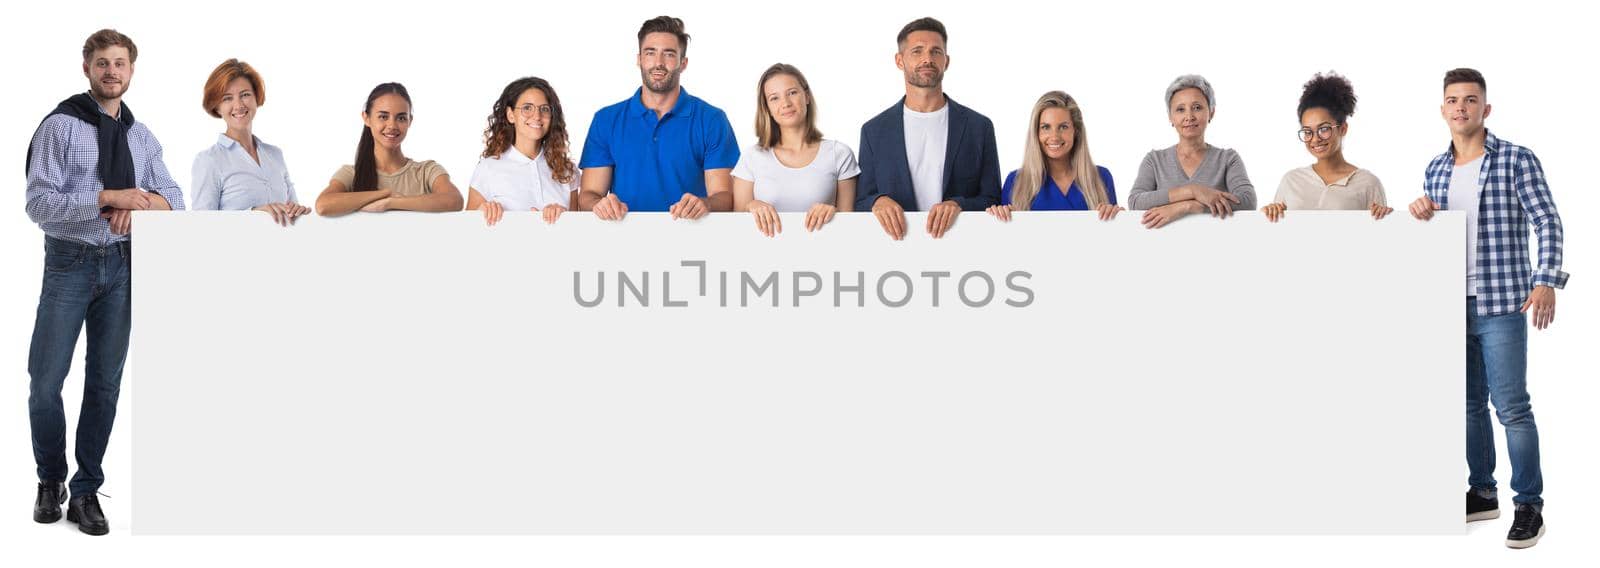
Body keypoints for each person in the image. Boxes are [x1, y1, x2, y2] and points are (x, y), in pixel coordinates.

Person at [23, 29, 186, 536]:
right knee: (46, 382)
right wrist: (106, 197)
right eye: (102, 62)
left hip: (123, 268)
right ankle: (51, 480)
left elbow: (175, 200)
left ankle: (87, 489)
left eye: (120, 63)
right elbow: (38, 204)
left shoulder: (141, 137)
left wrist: (141, 205)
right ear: (86, 68)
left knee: (105, 384)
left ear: (131, 71)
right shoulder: (60, 127)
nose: (111, 71)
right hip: (69, 264)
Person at [1408, 68, 1567, 550]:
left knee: (1512, 408)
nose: (1461, 108)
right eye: (1452, 100)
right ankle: (1482, 492)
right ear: (1442, 109)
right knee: (1467, 405)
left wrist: (1546, 281)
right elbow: (1434, 233)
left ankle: (1529, 505)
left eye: (1470, 100)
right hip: (1449, 303)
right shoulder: (1436, 168)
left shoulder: (1516, 159)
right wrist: (1421, 212)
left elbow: (1548, 222)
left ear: (1485, 109)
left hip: (1501, 303)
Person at [577, 16, 739, 221]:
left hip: (690, 238)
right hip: (622, 240)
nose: (658, 63)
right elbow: (588, 195)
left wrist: (705, 203)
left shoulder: (712, 120)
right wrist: (599, 204)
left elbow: (725, 197)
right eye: (650, 53)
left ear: (683, 63)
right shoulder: (606, 120)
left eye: (669, 54)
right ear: (639, 59)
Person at [856, 17, 1000, 240]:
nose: (927, 59)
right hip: (896, 249)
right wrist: (877, 201)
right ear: (899, 60)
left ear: (947, 61)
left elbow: (993, 199)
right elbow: (859, 201)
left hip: (963, 247)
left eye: (936, 52)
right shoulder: (874, 131)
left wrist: (958, 204)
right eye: (917, 51)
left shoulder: (979, 127)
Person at [732, 63, 859, 236]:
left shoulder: (839, 154)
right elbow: (734, 226)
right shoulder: (751, 157)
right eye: (774, 98)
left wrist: (833, 213)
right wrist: (751, 206)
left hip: (825, 256)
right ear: (767, 108)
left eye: (792, 93)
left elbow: (852, 225)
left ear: (806, 96)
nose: (785, 103)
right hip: (763, 258)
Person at [190, 59, 310, 226]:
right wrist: (253, 214)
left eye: (245, 94)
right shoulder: (208, 161)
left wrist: (298, 212)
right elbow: (202, 225)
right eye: (227, 98)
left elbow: (292, 212)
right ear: (217, 107)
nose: (238, 105)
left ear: (256, 97)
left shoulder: (275, 155)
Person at [1127, 74, 1255, 229]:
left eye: (1197, 108)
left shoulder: (1228, 159)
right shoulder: (1154, 160)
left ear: (1211, 112)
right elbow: (1135, 202)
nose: (1189, 116)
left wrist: (1190, 207)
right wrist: (1193, 191)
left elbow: (1248, 202)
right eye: (1180, 109)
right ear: (1170, 117)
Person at [314, 82, 463, 215]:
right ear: (366, 118)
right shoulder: (351, 174)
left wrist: (391, 202)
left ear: (410, 121)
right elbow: (323, 205)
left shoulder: (427, 171)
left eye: (401, 118)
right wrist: (386, 193)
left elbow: (454, 200)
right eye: (383, 117)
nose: (392, 126)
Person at [1261, 72, 1390, 222]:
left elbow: (1379, 235)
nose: (1315, 139)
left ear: (1343, 129)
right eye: (1308, 131)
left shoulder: (1368, 183)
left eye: (1324, 129)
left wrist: (1386, 218)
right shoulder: (1291, 180)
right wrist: (1269, 214)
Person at [986, 90, 1121, 222]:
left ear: (1076, 131)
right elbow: (1006, 240)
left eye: (1063, 127)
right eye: (1046, 127)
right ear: (1036, 133)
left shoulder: (1101, 178)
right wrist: (998, 217)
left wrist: (1121, 220)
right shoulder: (1016, 182)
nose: (1054, 137)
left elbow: (1114, 238)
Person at [467, 77, 580, 226]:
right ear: (510, 115)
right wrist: (481, 212)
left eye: (544, 109)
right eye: (527, 108)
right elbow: (467, 228)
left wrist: (563, 218)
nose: (537, 116)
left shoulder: (567, 171)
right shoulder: (488, 168)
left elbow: (577, 229)